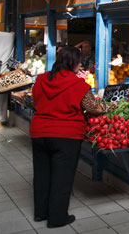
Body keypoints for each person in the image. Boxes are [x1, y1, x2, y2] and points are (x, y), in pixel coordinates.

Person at [30, 46, 113, 228]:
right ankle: (57, 218)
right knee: (62, 176)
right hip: (65, 135)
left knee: (42, 174)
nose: (81, 65)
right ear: (72, 63)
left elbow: (35, 99)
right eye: (79, 62)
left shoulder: (41, 80)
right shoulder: (78, 85)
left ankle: (40, 213)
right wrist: (110, 107)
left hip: (39, 132)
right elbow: (93, 108)